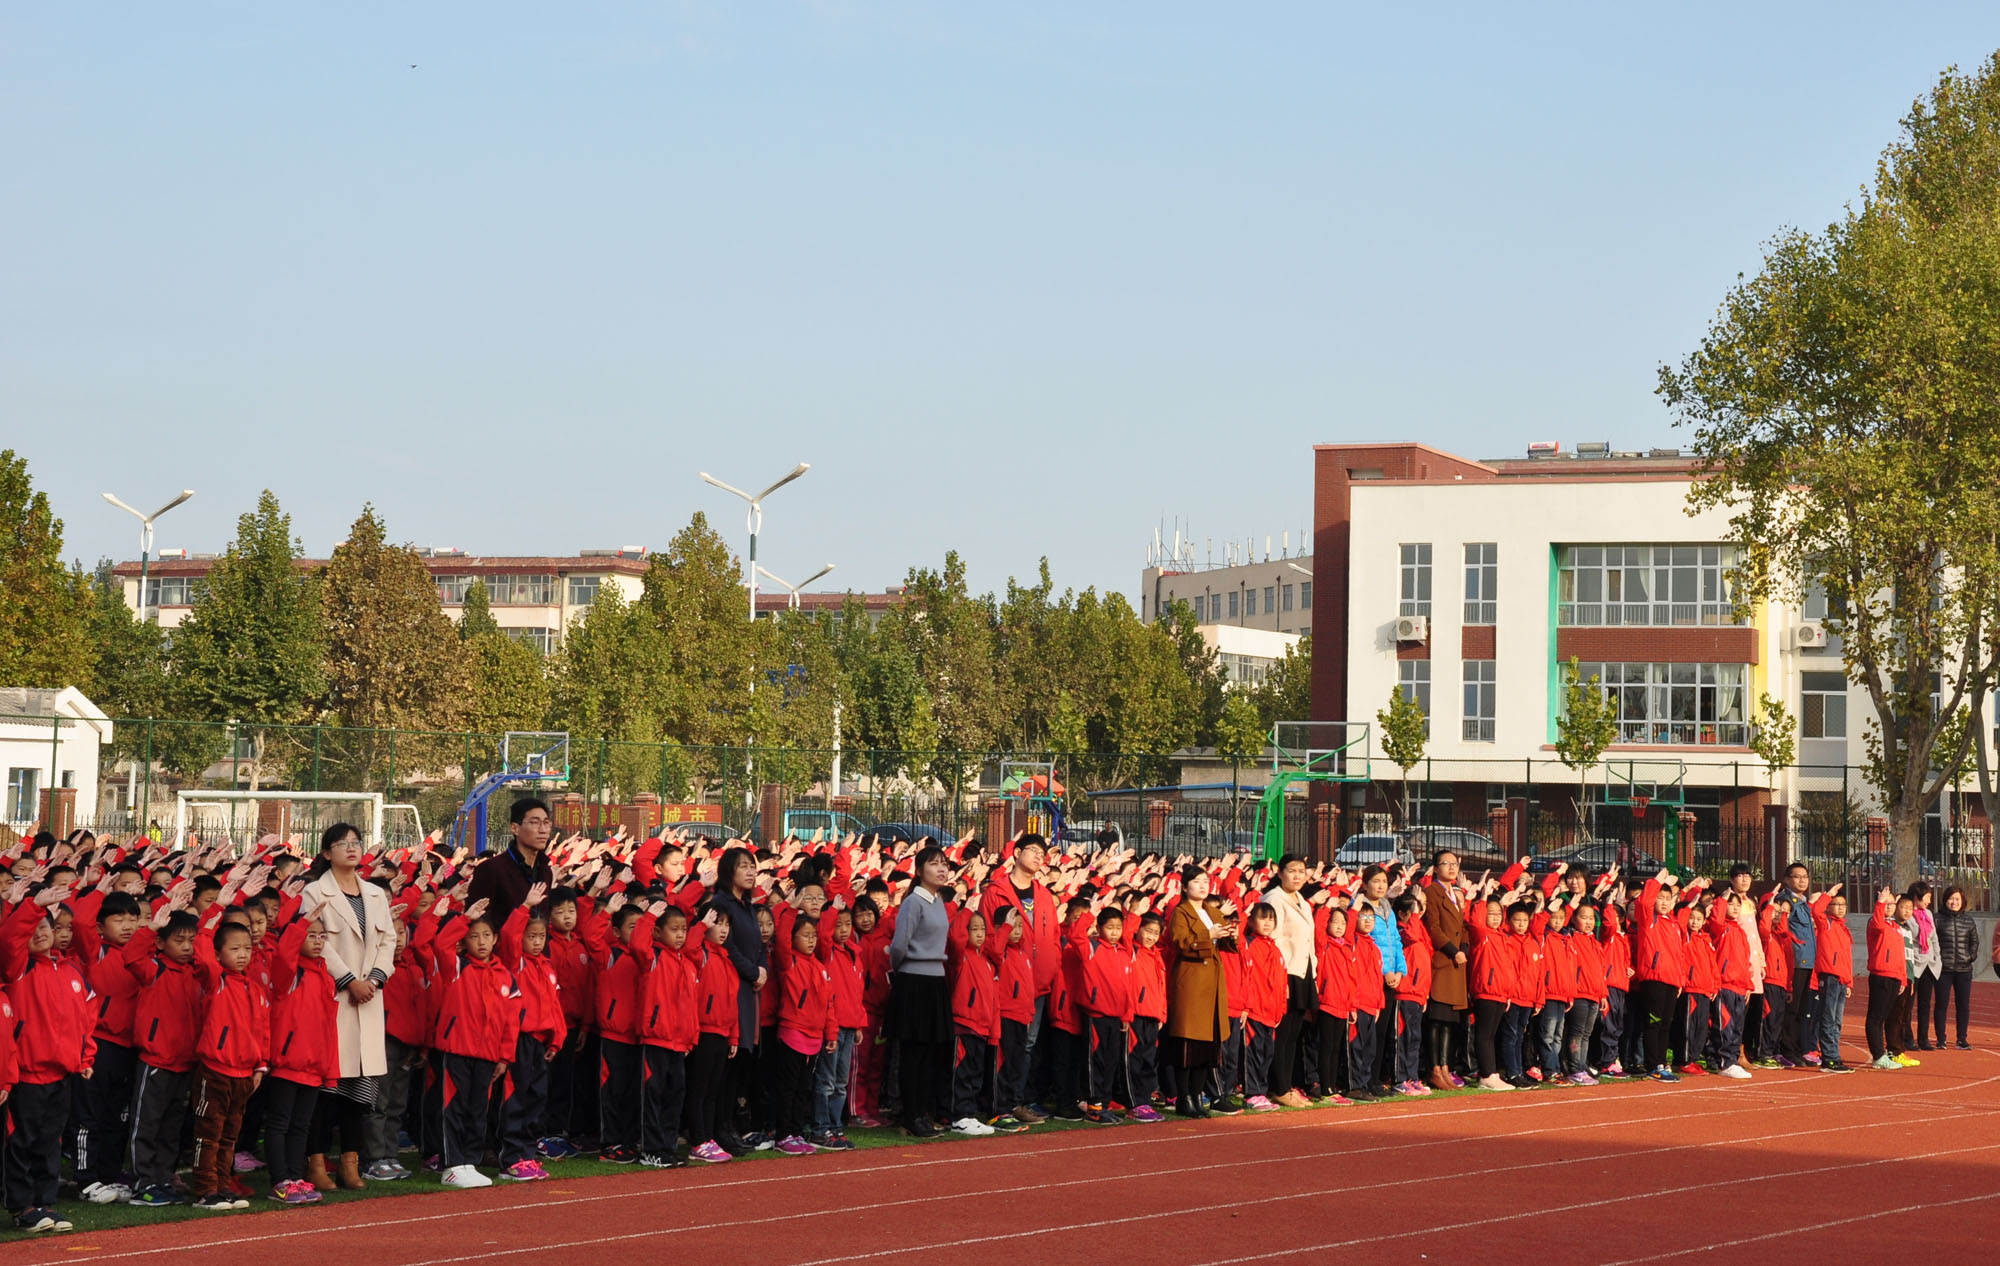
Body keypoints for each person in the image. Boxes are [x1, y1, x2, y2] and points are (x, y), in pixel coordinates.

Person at [302, 823, 397, 1192]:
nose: (351, 849)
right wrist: (349, 981)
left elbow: (388, 941)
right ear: (327, 853)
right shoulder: (314, 891)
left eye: (356, 843)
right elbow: (317, 942)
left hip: (369, 998)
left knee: (362, 1087)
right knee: (329, 1087)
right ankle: (316, 1161)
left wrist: (373, 979)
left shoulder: (375, 893)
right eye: (342, 844)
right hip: (335, 997)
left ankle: (350, 1162)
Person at [978, 835, 1060, 1117]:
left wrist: (1050, 969)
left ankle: (1016, 1099)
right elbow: (987, 936)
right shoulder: (996, 892)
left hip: (1038, 983)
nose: (1039, 857)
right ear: (1017, 853)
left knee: (1028, 1044)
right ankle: (999, 1101)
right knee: (1005, 1043)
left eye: (1043, 853)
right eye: (1034, 851)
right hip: (1006, 980)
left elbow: (1053, 938)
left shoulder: (1044, 895)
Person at [888, 846, 954, 1138]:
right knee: (913, 1053)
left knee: (930, 1052)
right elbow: (899, 945)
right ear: (918, 871)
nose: (941, 869)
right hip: (914, 979)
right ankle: (911, 1115)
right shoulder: (913, 902)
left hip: (935, 981)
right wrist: (904, 970)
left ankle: (922, 1113)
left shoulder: (938, 900)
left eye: (944, 864)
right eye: (933, 864)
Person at [710, 847, 769, 1153]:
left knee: (741, 1062)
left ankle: (729, 1127)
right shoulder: (721, 903)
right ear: (728, 870)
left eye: (752, 867)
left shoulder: (746, 905)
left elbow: (759, 946)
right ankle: (719, 1129)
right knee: (728, 1064)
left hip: (749, 989)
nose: (750, 872)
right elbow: (728, 947)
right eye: (743, 866)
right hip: (732, 987)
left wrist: (763, 971)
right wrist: (752, 972)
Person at [1165, 866, 1231, 1117]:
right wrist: (1208, 934)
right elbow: (1182, 942)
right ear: (1185, 887)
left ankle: (1197, 1096)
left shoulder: (1212, 910)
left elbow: (1226, 943)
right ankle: (1184, 1098)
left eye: (1206, 881)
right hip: (1191, 984)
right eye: (1196, 882)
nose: (1203, 886)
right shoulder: (1180, 912)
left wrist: (1228, 933)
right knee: (1188, 1047)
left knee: (1207, 1049)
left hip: (1211, 984)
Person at [1262, 856, 1317, 1107]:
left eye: (1301, 871)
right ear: (1279, 873)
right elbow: (1271, 940)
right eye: (1291, 871)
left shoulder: (1303, 901)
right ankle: (1279, 1087)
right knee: (1282, 1033)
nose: (1297, 876)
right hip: (1285, 972)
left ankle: (1287, 1085)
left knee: (1294, 1033)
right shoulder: (1274, 899)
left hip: (1303, 971)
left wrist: (1313, 970)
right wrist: (1278, 977)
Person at [1419, 849, 1470, 1092]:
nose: (1451, 867)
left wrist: (1465, 948)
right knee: (1437, 1021)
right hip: (1443, 962)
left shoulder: (1456, 893)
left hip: (1457, 963)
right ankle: (1434, 1069)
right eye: (1445, 863)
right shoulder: (1433, 892)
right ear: (1436, 868)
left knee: (1450, 1021)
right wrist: (1453, 950)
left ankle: (1446, 1067)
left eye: (1454, 863)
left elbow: (1463, 926)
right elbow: (1434, 928)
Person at [466, 798, 556, 931]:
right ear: (515, 828)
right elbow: (478, 924)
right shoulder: (492, 869)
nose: (543, 830)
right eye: (535, 823)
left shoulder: (545, 871)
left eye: (546, 823)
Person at [1809, 884, 1855, 1072]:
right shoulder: (1825, 923)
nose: (1840, 907)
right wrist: (1828, 895)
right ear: (1829, 907)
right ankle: (1829, 1058)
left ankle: (1833, 1055)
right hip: (1829, 977)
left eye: (1842, 904)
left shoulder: (1843, 928)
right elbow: (1816, 910)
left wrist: (1849, 981)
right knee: (1828, 1018)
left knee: (1836, 1021)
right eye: (1835, 904)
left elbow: (1847, 959)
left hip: (1841, 980)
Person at [1778, 863, 1820, 1066]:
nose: (1802, 880)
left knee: (1803, 1009)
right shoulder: (1786, 901)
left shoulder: (1803, 903)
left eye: (1805, 876)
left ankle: (1796, 1048)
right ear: (1787, 879)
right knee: (1792, 1008)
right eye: (1797, 876)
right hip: (1794, 960)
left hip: (1807, 961)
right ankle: (1786, 1049)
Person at [1861, 887, 1905, 1071]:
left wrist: (1903, 978)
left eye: (1892, 903)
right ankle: (1878, 1055)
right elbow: (1878, 924)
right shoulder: (1875, 922)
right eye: (1885, 903)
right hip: (1881, 975)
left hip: (1895, 977)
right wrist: (1880, 902)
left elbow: (1901, 954)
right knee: (1875, 1018)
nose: (1889, 906)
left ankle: (1881, 1053)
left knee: (1884, 1017)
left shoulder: (1895, 927)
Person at [1935, 886, 1978, 1049]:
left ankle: (1962, 1039)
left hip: (1964, 970)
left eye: (1957, 899)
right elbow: (1932, 942)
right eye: (1951, 899)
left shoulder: (1968, 920)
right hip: (1943, 970)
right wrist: (1938, 960)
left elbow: (1974, 943)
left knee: (1963, 1006)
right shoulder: (1937, 919)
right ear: (1945, 900)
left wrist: (1969, 957)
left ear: (1963, 901)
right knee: (1941, 1004)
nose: (1954, 902)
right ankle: (1941, 1039)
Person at [1905, 883, 1942, 1051]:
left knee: (1925, 1004)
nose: (1929, 900)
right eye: (1927, 897)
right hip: (1914, 965)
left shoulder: (1928, 914)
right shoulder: (1908, 915)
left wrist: (1936, 958)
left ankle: (1923, 1038)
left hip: (1929, 964)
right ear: (1917, 897)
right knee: (1907, 1004)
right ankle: (1907, 1038)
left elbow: (1934, 938)